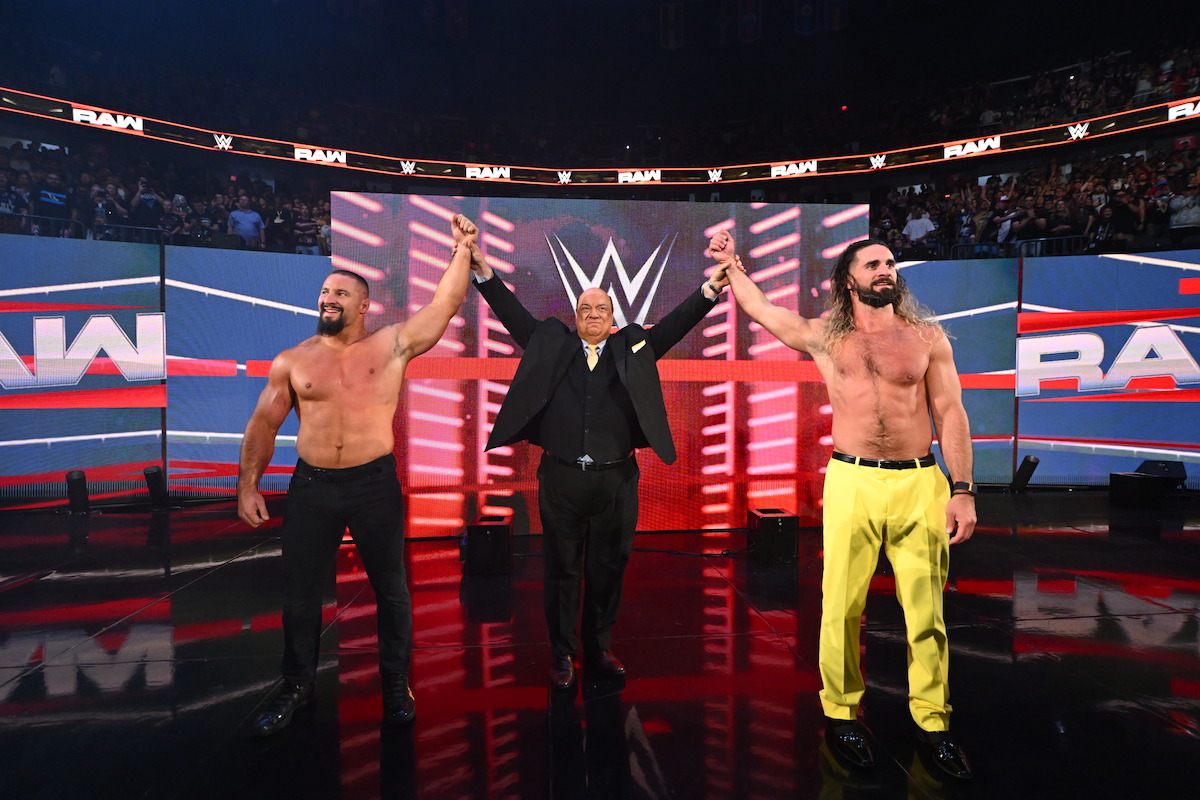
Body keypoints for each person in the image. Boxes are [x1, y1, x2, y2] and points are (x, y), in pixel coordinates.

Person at [710, 232, 976, 782]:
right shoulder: (826, 336)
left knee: (926, 613)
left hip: (919, 482)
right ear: (848, 279)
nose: (886, 269)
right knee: (841, 607)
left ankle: (933, 724)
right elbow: (761, 309)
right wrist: (731, 266)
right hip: (852, 480)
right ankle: (840, 715)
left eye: (890, 263)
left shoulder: (926, 337)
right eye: (873, 263)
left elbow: (951, 412)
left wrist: (963, 489)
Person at [237, 213, 479, 736]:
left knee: (391, 590)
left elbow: (444, 304)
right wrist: (248, 484)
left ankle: (394, 681)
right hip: (312, 488)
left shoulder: (391, 345)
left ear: (364, 305)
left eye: (341, 293)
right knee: (301, 596)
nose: (329, 299)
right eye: (326, 292)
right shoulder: (292, 361)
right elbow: (263, 424)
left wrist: (461, 250)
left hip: (374, 486)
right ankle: (297, 684)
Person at [466, 235, 728, 690]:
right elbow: (511, 313)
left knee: (608, 569)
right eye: (585, 308)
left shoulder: (635, 346)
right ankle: (562, 653)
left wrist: (711, 289)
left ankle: (599, 646)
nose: (592, 314)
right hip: (562, 479)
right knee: (562, 570)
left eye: (601, 309)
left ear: (613, 318)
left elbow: (676, 323)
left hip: (617, 482)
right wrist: (481, 268)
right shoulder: (551, 343)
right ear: (575, 316)